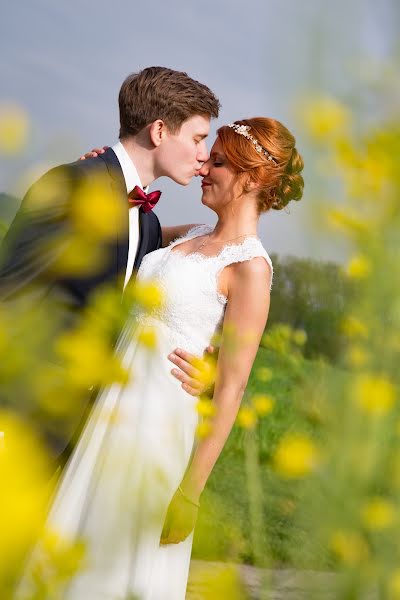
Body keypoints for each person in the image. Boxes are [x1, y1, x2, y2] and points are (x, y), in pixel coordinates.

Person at [21, 117, 304, 599]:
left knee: (114, 566)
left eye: (217, 162)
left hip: (156, 430)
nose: (203, 169)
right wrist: (100, 179)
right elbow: (129, 230)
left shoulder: (251, 268)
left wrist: (190, 493)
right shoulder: (190, 233)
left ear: (251, 179)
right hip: (108, 415)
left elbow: (232, 388)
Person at [0, 66, 221, 463]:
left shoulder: (148, 222)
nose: (204, 155)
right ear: (158, 132)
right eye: (198, 138)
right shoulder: (74, 185)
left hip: (80, 432)